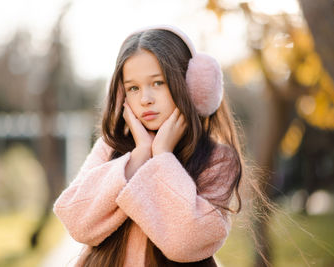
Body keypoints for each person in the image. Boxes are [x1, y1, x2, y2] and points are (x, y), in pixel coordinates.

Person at [53, 24, 244, 267]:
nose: (145, 99)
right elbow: (76, 221)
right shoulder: (110, 148)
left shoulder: (217, 159)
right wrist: (139, 157)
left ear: (192, 85)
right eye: (133, 88)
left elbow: (186, 242)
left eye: (158, 83)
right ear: (122, 94)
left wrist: (162, 157)